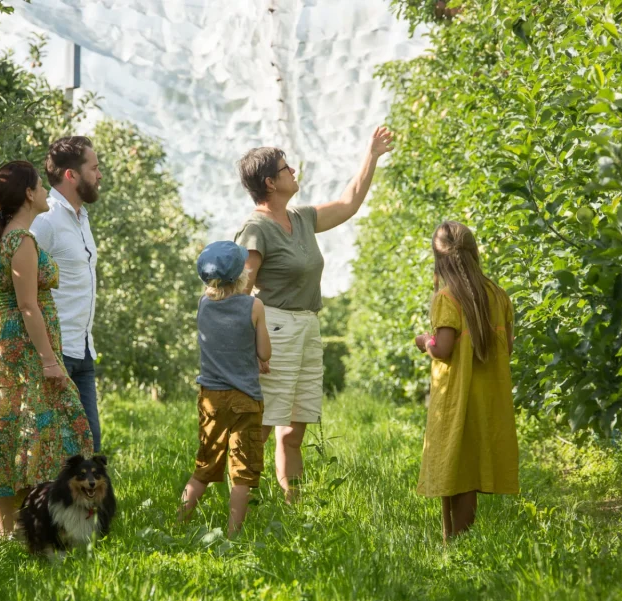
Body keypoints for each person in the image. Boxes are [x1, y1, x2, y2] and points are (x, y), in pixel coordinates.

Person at [234, 127, 394, 502]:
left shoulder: (302, 217)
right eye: (286, 168)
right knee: (260, 426)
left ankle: (295, 509)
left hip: (307, 325)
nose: (294, 172)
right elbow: (241, 294)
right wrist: (250, 349)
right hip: (273, 328)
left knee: (294, 431)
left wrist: (371, 155)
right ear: (270, 182)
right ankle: (245, 508)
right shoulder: (255, 229)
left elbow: (349, 203)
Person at [0, 160, 94, 538]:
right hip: (26, 350)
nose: (44, 193)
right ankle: (46, 529)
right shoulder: (21, 242)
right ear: (27, 195)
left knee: (7, 434)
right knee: (51, 431)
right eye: (40, 187)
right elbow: (27, 307)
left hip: (2, 349)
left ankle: (6, 534)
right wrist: (50, 361)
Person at [413, 221, 519, 542]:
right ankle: (453, 541)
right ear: (474, 253)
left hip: (456, 399)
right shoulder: (498, 296)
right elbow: (508, 347)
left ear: (439, 259)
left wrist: (423, 342)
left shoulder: (447, 298)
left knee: (453, 466)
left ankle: (458, 542)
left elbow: (442, 348)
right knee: (468, 470)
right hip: (488, 399)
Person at [178, 241, 271, 538]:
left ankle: (178, 524)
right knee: (242, 471)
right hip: (246, 399)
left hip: (211, 398)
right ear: (241, 274)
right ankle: (233, 535)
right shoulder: (254, 305)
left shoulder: (203, 304)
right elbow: (264, 353)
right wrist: (257, 358)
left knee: (204, 466)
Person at [30, 136, 103, 452]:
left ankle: (81, 505)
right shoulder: (45, 220)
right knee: (53, 454)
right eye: (94, 168)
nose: (100, 175)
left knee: (89, 450)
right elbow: (19, 281)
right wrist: (46, 357)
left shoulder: (82, 217)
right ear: (71, 175)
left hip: (83, 351)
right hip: (55, 354)